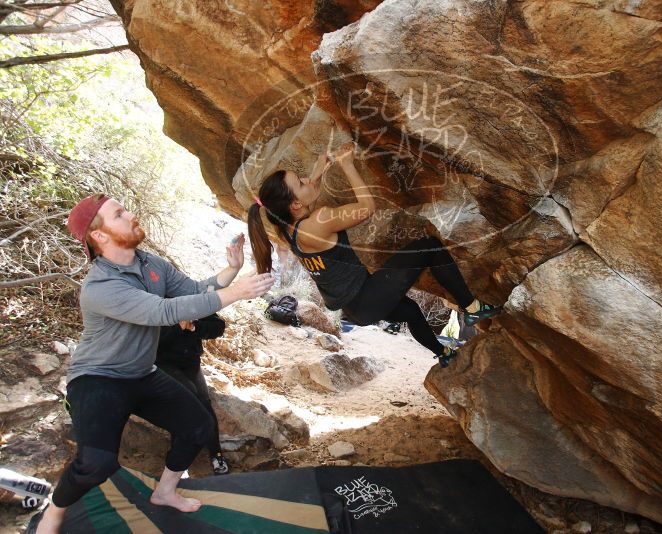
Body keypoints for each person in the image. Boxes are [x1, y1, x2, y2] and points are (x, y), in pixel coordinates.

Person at [36, 194, 274, 534]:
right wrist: (236, 292)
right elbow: (162, 312)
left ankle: (164, 492)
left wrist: (232, 270)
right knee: (97, 463)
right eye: (119, 214)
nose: (131, 214)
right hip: (98, 377)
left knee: (198, 427)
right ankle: (53, 514)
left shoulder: (150, 263)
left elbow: (190, 290)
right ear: (100, 235)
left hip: (142, 373)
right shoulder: (100, 286)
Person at [246, 143, 500, 368]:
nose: (305, 179)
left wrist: (317, 172)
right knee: (429, 246)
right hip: (366, 297)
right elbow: (367, 208)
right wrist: (347, 165)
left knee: (410, 311)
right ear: (295, 205)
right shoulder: (318, 221)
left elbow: (306, 199)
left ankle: (444, 353)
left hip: (354, 308)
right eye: (300, 182)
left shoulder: (286, 228)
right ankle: (472, 306)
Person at [155, 313, 229, 475]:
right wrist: (178, 327)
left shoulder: (194, 297)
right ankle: (177, 462)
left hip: (190, 362)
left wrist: (195, 326)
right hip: (164, 363)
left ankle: (216, 454)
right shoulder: (159, 299)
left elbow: (218, 326)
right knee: (186, 399)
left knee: (204, 402)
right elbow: (152, 338)